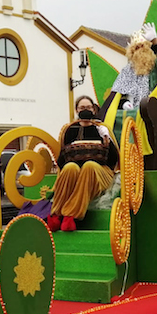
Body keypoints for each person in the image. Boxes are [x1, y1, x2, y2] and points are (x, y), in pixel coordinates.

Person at [100, 22, 157, 155]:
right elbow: (118, 93)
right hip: (131, 108)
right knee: (114, 117)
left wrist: (155, 42)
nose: (140, 52)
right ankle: (121, 153)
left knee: (141, 114)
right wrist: (124, 103)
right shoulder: (127, 70)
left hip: (154, 105)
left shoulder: (156, 66)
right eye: (136, 48)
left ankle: (138, 152)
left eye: (143, 48)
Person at [48, 96, 119, 232]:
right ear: (76, 110)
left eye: (88, 108)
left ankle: (70, 215)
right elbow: (61, 161)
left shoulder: (102, 129)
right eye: (82, 108)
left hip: (100, 173)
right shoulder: (70, 130)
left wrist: (106, 142)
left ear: (93, 109)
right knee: (70, 167)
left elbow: (113, 160)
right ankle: (56, 214)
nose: (85, 110)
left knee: (89, 166)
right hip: (77, 173)